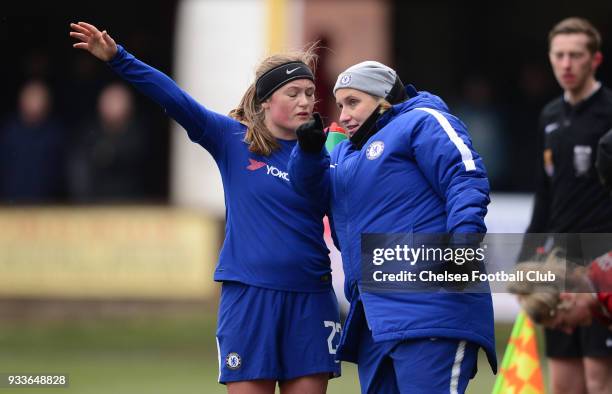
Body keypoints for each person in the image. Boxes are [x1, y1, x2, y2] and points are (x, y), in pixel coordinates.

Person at [70, 21, 340, 394]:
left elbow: (326, 195)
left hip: (311, 299)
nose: (305, 101)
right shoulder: (232, 140)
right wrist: (119, 58)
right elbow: (175, 100)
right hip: (249, 297)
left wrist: (314, 152)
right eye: (293, 93)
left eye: (310, 93)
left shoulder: (327, 152)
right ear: (265, 100)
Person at [288, 61, 496, 393]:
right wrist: (309, 155)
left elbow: (464, 177)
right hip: (375, 320)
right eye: (340, 105)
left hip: (432, 308)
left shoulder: (422, 120)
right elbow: (309, 198)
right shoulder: (344, 154)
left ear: (384, 98)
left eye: (353, 102)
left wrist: (463, 245)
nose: (343, 115)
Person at [523, 17, 612, 394]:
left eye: (575, 55)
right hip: (557, 263)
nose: (566, 64)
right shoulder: (549, 116)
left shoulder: (609, 112)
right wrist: (527, 260)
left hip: (601, 260)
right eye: (559, 55)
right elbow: (544, 195)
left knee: (598, 378)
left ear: (595, 60)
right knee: (562, 383)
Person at [69, 82, 149, 202]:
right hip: (94, 201)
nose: (110, 107)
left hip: (128, 202)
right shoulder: (89, 132)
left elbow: (133, 158)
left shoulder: (137, 133)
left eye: (116, 102)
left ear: (128, 106)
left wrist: (108, 153)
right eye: (107, 102)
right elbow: (79, 165)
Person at [509, 250, 612, 333]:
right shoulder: (596, 279)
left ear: (567, 297)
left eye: (563, 323)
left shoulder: (607, 295)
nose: (569, 331)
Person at [0, 80, 67, 203]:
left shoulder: (56, 133)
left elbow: (62, 172)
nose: (35, 103)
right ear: (21, 100)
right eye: (31, 97)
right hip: (9, 202)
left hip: (48, 203)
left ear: (48, 102)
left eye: (39, 98)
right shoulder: (8, 131)